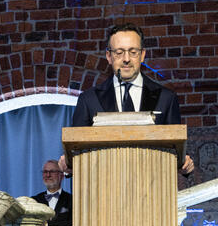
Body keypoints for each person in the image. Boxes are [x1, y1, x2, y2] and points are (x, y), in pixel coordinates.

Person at [60, 23, 194, 174]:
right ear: (109, 56)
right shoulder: (88, 99)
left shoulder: (166, 98)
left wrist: (184, 164)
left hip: (151, 191)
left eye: (133, 52)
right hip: (104, 191)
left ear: (142, 55)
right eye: (119, 52)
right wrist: (68, 163)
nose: (126, 59)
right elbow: (76, 151)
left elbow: (176, 152)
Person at [32, 160, 72, 226]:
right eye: (45, 172)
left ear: (61, 176)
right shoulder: (34, 201)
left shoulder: (72, 200)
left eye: (52, 171)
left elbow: (73, 224)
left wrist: (47, 225)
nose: (48, 175)